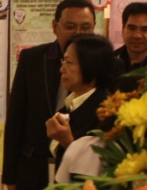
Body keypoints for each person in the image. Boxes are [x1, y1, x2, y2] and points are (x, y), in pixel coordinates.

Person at [3, 0, 96, 190]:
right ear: (55, 27)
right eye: (70, 26)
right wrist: (10, 174)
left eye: (86, 27)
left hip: (85, 172)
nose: (78, 33)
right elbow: (16, 117)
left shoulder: (105, 64)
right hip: (38, 169)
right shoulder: (32, 59)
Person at [44, 33, 119, 167]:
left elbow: (101, 167)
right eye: (63, 62)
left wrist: (67, 142)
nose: (62, 69)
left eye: (69, 63)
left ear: (91, 68)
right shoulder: (70, 105)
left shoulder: (107, 113)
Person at [114, 1, 147, 91]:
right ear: (123, 30)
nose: (137, 35)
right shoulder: (108, 62)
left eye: (145, 29)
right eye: (131, 28)